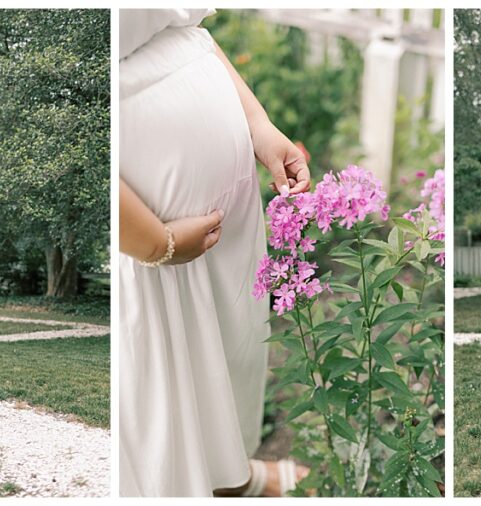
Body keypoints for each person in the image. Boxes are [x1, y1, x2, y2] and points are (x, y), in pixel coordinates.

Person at [119, 9, 310, 497]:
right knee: (170, 387)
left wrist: (257, 122)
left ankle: (230, 476)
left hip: (222, 232)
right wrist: (154, 242)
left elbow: (187, 30)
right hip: (158, 250)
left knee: (228, 361)